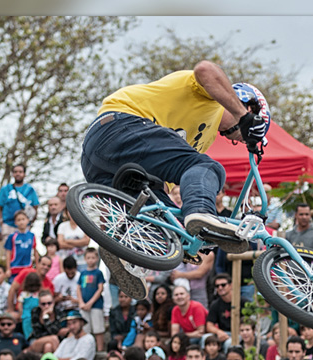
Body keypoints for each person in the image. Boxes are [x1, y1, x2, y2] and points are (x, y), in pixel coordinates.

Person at [82, 61, 271, 289]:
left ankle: (124, 253)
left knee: (165, 222)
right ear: (249, 106)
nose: (238, 139)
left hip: (102, 160)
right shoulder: (210, 96)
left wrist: (189, 237)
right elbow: (205, 69)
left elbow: (170, 183)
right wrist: (243, 117)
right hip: (122, 124)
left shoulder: (205, 139)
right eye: (243, 133)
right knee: (211, 168)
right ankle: (201, 211)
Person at [0, 163, 39, 235]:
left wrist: (30, 222)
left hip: (24, 226)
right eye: (15, 172)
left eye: (20, 172)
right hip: (8, 225)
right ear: (12, 174)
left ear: (24, 174)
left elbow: (35, 207)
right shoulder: (5, 189)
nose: (18, 174)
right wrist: (1, 221)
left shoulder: (30, 190)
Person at [204, 273, 241, 349]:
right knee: (205, 338)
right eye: (217, 286)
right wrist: (219, 332)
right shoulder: (215, 304)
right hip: (223, 332)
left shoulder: (242, 301)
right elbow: (209, 325)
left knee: (229, 343)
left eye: (223, 285)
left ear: (231, 285)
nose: (220, 288)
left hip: (240, 333)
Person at [28, 290, 67, 355]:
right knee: (53, 338)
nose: (46, 306)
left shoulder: (59, 313)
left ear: (53, 303)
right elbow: (37, 333)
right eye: (43, 304)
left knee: (48, 346)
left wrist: (46, 318)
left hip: (54, 343)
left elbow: (56, 333)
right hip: (37, 341)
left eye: (49, 303)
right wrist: (45, 317)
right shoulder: (35, 312)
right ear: (39, 304)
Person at [3, 210, 38, 281]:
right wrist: (8, 269)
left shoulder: (32, 236)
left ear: (27, 220)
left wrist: (37, 267)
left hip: (28, 268)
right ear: (15, 222)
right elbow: (8, 253)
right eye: (18, 220)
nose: (21, 222)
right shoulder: (12, 236)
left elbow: (35, 252)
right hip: (15, 268)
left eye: (23, 219)